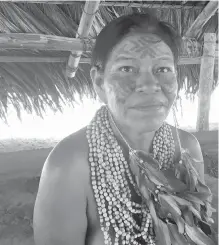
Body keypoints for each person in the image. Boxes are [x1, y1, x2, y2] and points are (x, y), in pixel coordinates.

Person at [33, 13, 215, 245]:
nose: (149, 85)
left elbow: (197, 231)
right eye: (127, 68)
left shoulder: (187, 148)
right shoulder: (70, 164)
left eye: (163, 69)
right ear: (99, 83)